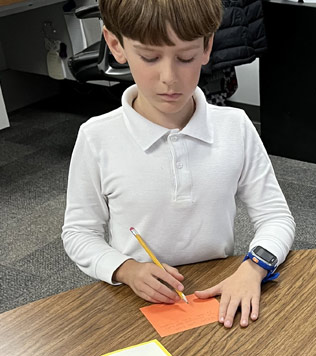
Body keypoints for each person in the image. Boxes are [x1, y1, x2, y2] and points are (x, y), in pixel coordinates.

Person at [61, 0, 295, 328]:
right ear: (116, 45)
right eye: (150, 57)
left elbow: (276, 217)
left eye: (185, 57)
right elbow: (79, 233)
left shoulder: (235, 126)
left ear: (207, 46)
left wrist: (254, 267)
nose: (169, 78)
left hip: (219, 291)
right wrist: (125, 269)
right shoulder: (97, 137)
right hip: (136, 298)